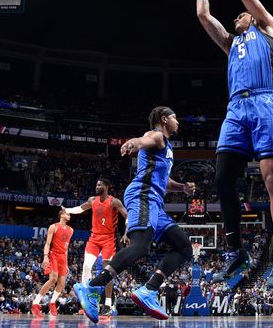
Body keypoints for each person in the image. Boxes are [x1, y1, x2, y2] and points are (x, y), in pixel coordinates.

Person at [194, 0, 273, 288]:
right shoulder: (230, 44)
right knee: (222, 178)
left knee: (272, 178)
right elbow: (204, 17)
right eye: (234, 16)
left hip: (266, 102)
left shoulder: (266, 28)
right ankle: (235, 250)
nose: (236, 17)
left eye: (240, 15)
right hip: (236, 107)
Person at [74, 106, 195, 324]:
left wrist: (183, 188)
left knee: (184, 246)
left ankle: (149, 290)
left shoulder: (166, 148)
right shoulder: (156, 136)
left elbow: (165, 181)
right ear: (164, 119)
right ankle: (92, 287)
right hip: (142, 195)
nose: (178, 122)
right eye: (175, 118)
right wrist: (132, 143)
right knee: (141, 246)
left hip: (155, 202)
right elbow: (141, 140)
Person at [66, 178, 128, 315]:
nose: (97, 186)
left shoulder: (114, 201)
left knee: (107, 271)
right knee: (87, 266)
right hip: (94, 238)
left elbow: (126, 215)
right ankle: (86, 298)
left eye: (99, 184)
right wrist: (68, 210)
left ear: (106, 187)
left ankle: (107, 304)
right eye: (96, 184)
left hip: (108, 239)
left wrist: (127, 232)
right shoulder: (92, 200)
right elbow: (81, 208)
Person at [31, 209, 73, 318]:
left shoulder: (71, 230)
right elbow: (47, 243)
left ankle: (52, 302)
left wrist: (67, 263)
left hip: (63, 257)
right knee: (53, 279)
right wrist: (45, 257)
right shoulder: (53, 227)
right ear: (62, 214)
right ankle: (35, 303)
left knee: (62, 283)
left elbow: (66, 248)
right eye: (68, 214)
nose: (69, 216)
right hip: (53, 254)